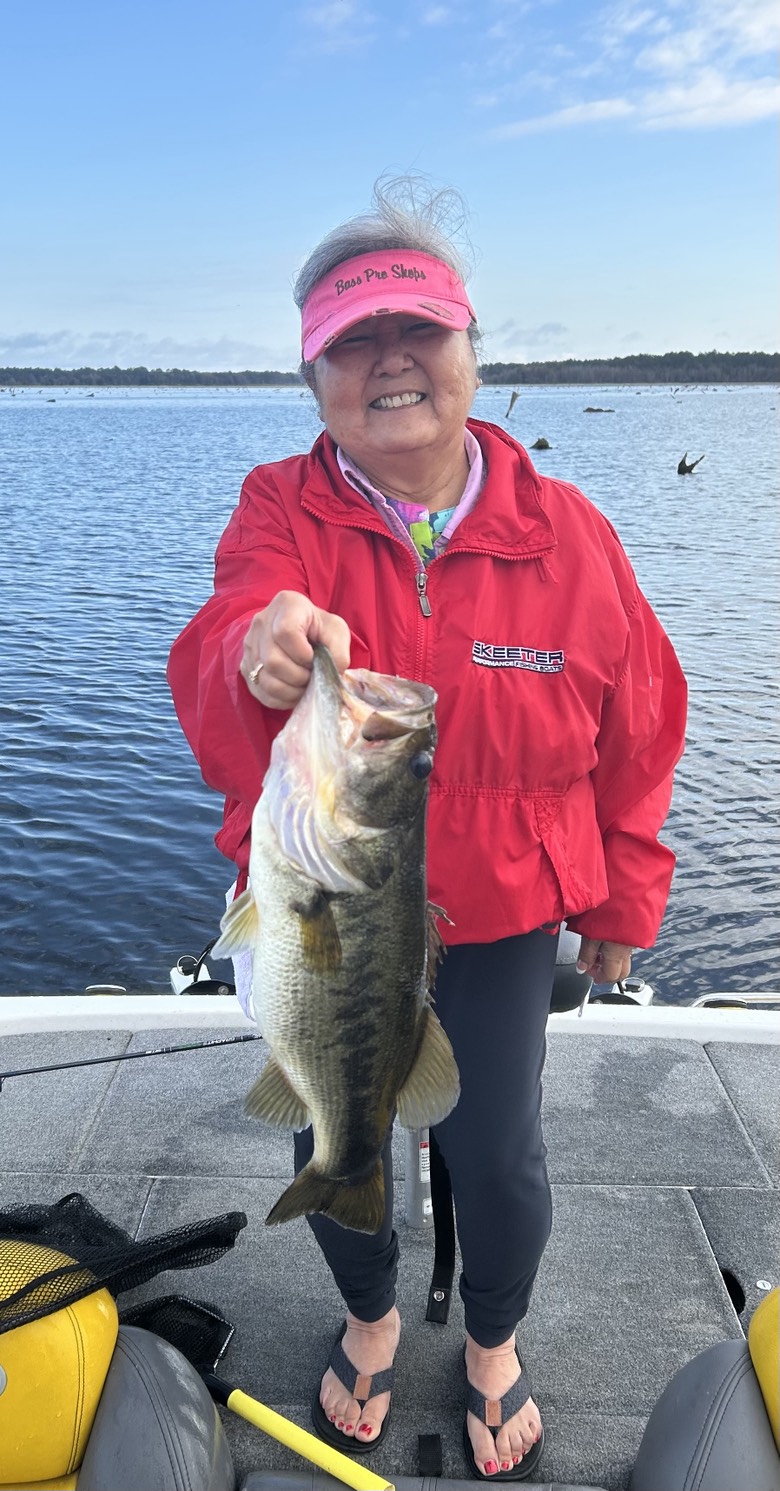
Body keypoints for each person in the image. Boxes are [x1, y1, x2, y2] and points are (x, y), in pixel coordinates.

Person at [167, 177, 687, 1481]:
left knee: (495, 1150)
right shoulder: (279, 510)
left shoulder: (570, 536)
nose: (390, 360)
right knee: (329, 1125)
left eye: (419, 330)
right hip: (330, 913)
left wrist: (624, 902)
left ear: (471, 351)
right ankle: (370, 1316)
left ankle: (495, 1336)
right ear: (313, 379)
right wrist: (258, 648)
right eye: (354, 342)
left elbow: (642, 727)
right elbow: (221, 648)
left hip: (506, 910)